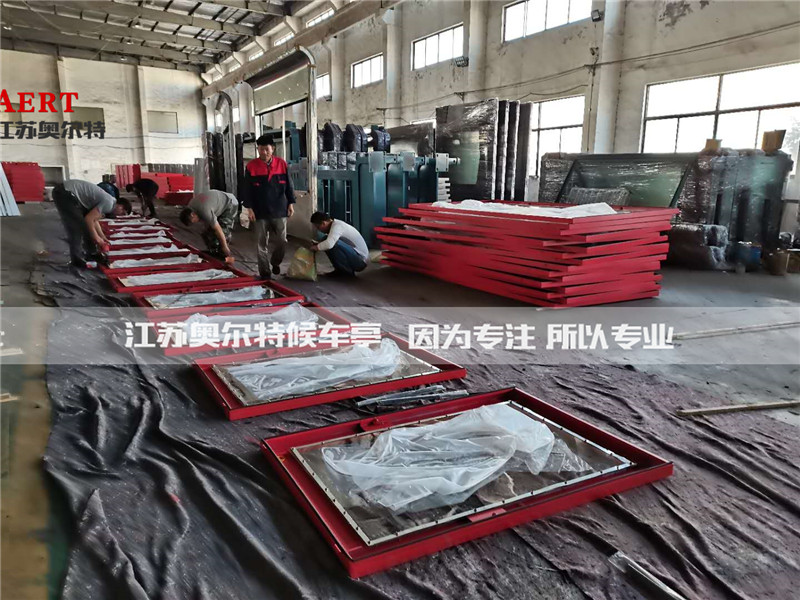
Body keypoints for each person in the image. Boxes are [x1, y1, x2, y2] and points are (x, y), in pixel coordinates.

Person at [242, 134, 295, 279]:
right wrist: (249, 209)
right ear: (257, 149)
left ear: (273, 149)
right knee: (261, 244)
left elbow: (289, 186)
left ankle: (275, 261)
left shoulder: (282, 164)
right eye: (261, 149)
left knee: (282, 240)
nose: (264, 152)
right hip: (259, 211)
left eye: (267, 149)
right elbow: (247, 190)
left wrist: (290, 203)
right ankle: (265, 273)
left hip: (280, 209)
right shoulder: (251, 166)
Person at [52, 179, 132, 267]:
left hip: (67, 192)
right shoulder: (109, 204)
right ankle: (78, 260)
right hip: (66, 192)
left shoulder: (110, 201)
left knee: (86, 228)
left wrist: (102, 237)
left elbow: (94, 220)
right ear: (120, 205)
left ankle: (91, 253)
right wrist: (97, 238)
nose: (120, 214)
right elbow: (89, 219)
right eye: (122, 211)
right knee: (77, 227)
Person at [179, 190, 238, 264]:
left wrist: (224, 246)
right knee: (207, 233)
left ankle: (224, 257)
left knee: (223, 231)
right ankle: (214, 253)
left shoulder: (204, 211)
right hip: (217, 204)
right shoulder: (191, 207)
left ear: (192, 215)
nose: (196, 223)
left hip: (229, 203)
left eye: (193, 221)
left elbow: (218, 230)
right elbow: (207, 224)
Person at [310, 212, 369, 277]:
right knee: (325, 240)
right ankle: (340, 270)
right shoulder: (335, 225)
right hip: (355, 256)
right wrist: (318, 244)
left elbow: (329, 244)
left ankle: (347, 272)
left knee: (333, 243)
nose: (318, 230)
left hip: (360, 261)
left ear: (323, 223)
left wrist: (316, 247)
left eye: (318, 227)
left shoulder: (338, 226)